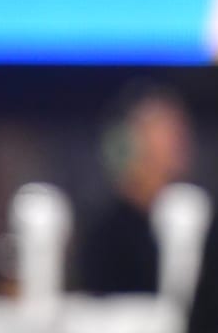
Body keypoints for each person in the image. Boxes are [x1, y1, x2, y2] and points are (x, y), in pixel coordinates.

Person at [77, 82, 194, 294]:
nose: (179, 139)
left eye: (180, 130)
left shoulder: (201, 224)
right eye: (166, 130)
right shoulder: (106, 237)